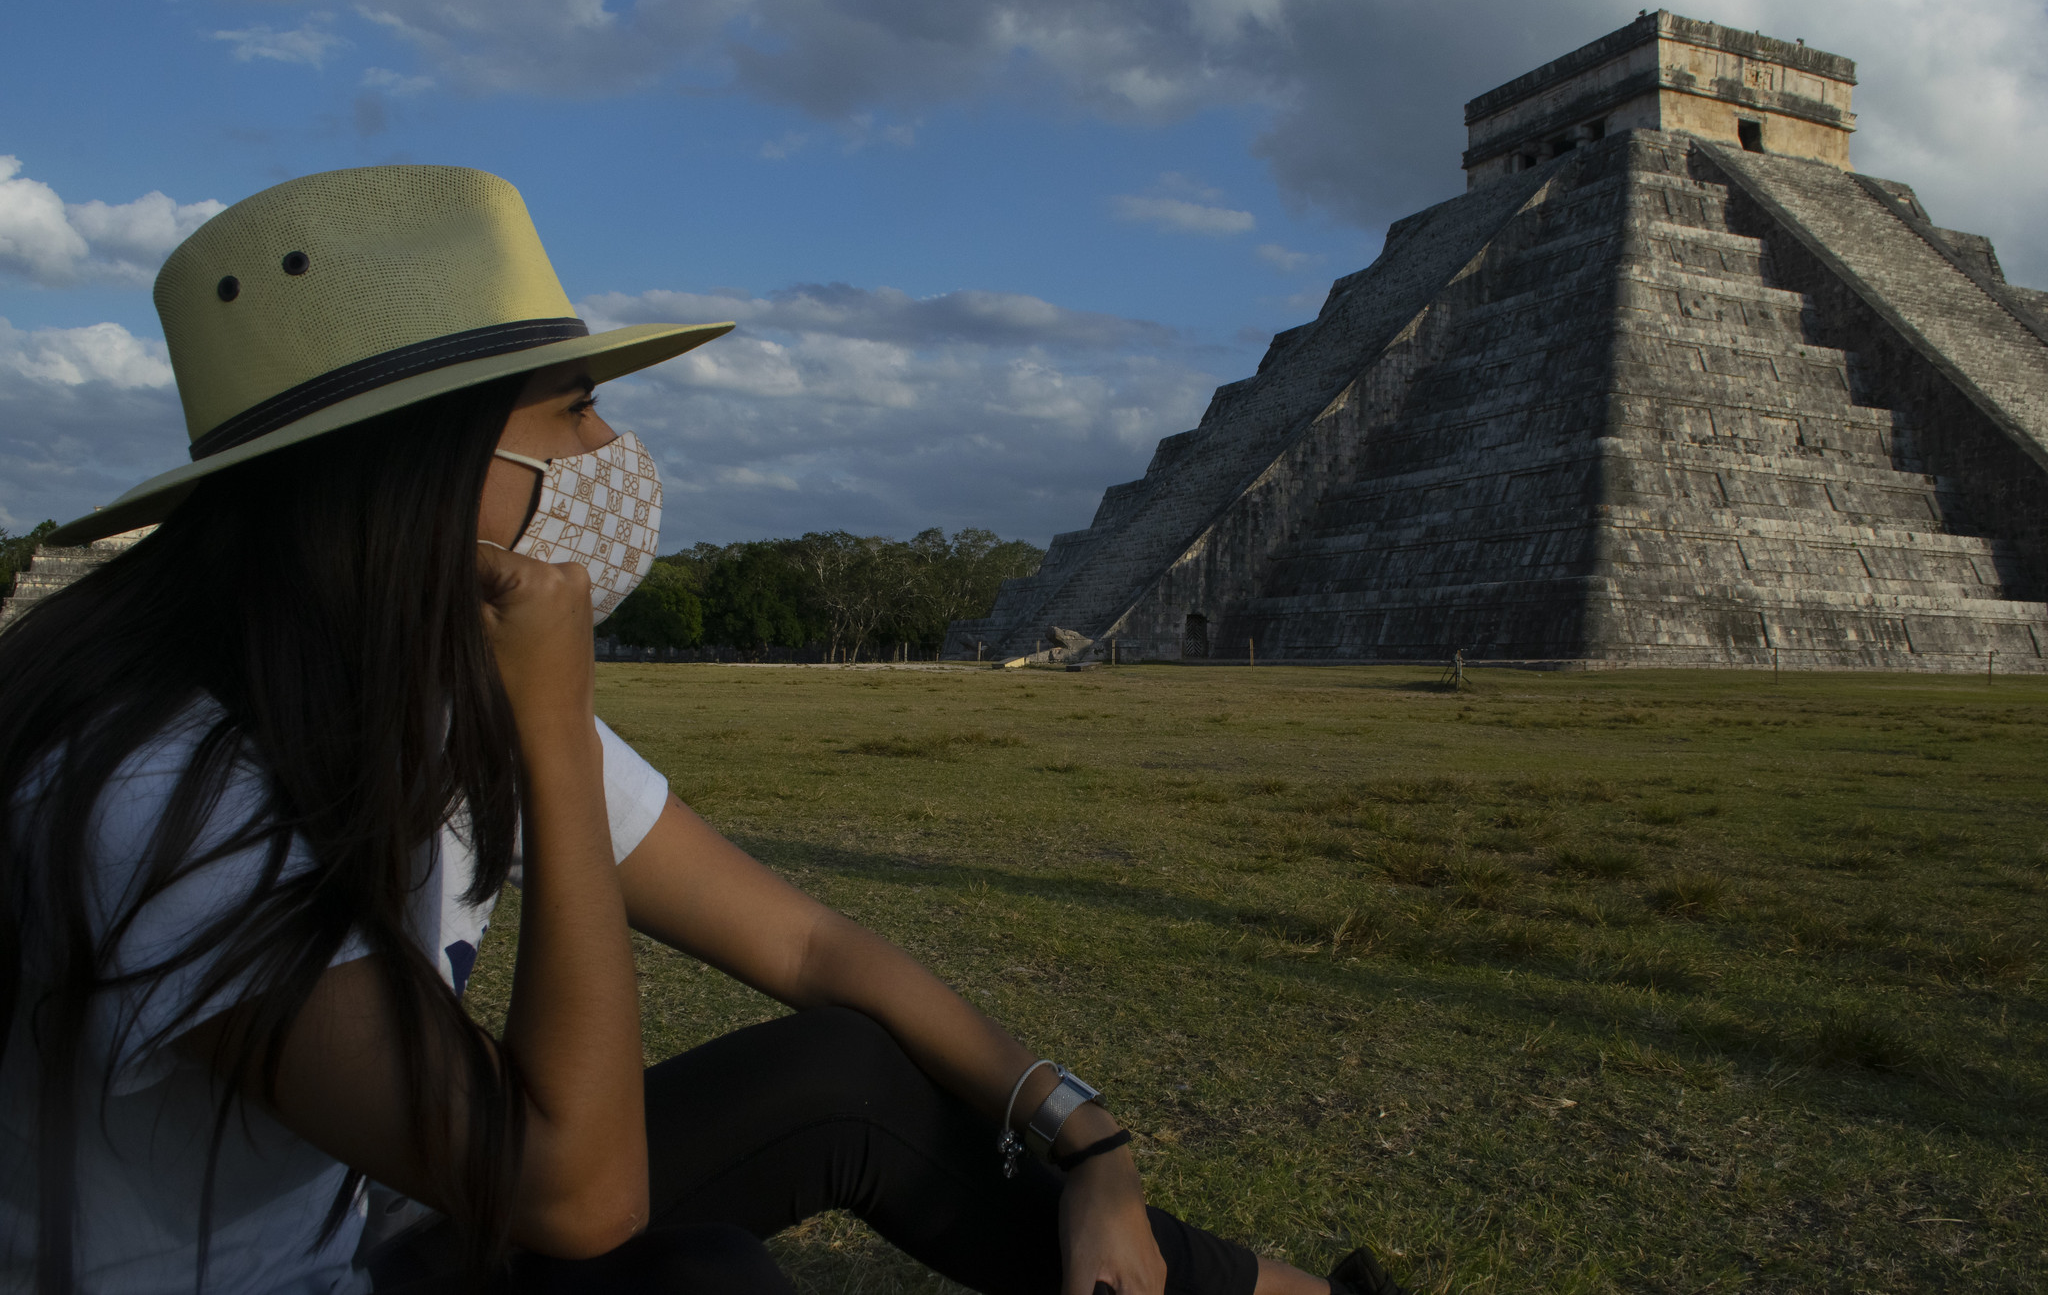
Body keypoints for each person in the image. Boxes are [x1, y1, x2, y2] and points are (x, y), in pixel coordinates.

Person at [0, 166, 1411, 1295]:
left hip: (367, 1245)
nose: (610, 455)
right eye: (576, 411)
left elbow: (811, 950)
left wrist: (1091, 1144)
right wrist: (552, 735)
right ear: (418, 470)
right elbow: (575, 1191)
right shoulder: (159, 792)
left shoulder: (424, 682)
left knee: (842, 1080)